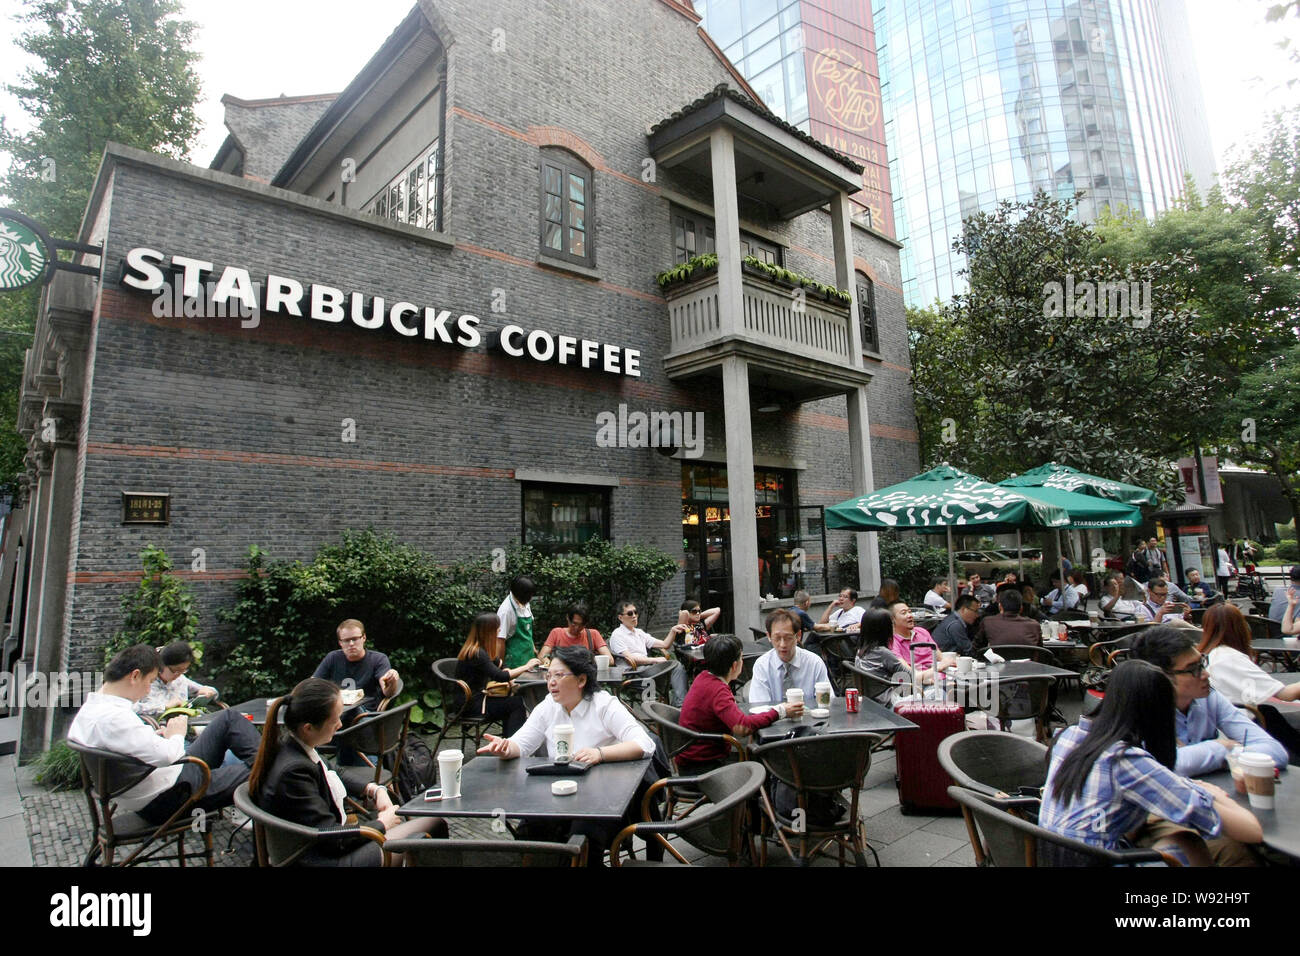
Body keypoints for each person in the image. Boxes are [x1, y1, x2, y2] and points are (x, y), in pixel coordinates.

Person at [1040, 660, 1262, 867]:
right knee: (1193, 843)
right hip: (1098, 861)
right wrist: (1214, 795)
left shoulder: (1068, 736)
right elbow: (1251, 831)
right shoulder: (1125, 760)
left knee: (1183, 838)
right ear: (1160, 713)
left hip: (1052, 856)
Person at [477, 646, 657, 864]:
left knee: (583, 834)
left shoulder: (604, 705)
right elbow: (521, 745)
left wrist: (599, 753)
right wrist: (505, 747)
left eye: (559, 675)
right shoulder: (548, 707)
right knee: (534, 826)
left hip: (604, 799)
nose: (550, 682)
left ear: (581, 680)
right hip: (560, 795)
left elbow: (644, 743)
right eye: (548, 675)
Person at [248, 678, 443, 865]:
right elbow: (334, 841)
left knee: (429, 826)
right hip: (324, 859)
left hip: (325, 848)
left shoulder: (293, 747)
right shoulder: (294, 771)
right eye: (335, 721)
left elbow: (335, 770)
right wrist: (382, 823)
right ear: (308, 728)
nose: (340, 725)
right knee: (435, 824)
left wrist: (374, 789)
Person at [68, 644, 262, 824]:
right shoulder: (114, 718)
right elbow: (170, 756)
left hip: (160, 783)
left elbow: (130, 745)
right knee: (265, 768)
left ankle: (266, 775)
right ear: (135, 676)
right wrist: (176, 734)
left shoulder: (92, 708)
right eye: (150, 682)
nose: (147, 690)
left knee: (229, 718)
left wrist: (160, 737)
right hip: (169, 796)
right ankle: (270, 786)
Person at [1130, 627, 1288, 776]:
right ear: (1161, 677)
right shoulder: (1139, 708)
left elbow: (1275, 752)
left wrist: (1222, 757)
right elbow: (1162, 766)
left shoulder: (1210, 698)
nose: (1206, 674)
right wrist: (1222, 748)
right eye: (1192, 669)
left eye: (1202, 663)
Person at [677, 634, 801, 773]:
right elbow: (742, 728)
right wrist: (780, 711)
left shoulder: (703, 677)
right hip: (704, 767)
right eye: (741, 658)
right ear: (735, 665)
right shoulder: (718, 691)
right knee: (763, 760)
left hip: (692, 759)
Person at [455, 611, 539, 737]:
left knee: (512, 702)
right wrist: (526, 666)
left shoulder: (480, 649)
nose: (499, 630)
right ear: (489, 631)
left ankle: (508, 740)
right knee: (517, 704)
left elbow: (501, 665)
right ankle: (511, 743)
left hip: (475, 699)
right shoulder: (477, 654)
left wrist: (510, 680)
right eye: (497, 627)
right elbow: (500, 676)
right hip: (470, 705)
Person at [1201, 602, 1300, 704]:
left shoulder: (1208, 654)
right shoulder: (1230, 658)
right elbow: (1287, 694)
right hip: (1240, 716)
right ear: (1240, 627)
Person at [608, 600, 689, 703]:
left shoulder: (639, 633)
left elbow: (664, 645)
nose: (634, 616)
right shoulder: (618, 635)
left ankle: (679, 704)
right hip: (633, 672)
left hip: (646, 668)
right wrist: (655, 660)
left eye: (635, 612)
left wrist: (673, 630)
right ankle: (680, 705)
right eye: (630, 613)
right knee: (676, 669)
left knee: (677, 667)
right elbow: (630, 659)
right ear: (620, 617)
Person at [312, 619, 400, 712]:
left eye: (355, 639)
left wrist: (391, 681)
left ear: (364, 638)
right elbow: (313, 685)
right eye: (346, 640)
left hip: (365, 714)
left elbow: (388, 692)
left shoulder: (378, 659)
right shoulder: (333, 658)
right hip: (338, 712)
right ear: (340, 643)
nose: (351, 644)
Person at [750, 608, 833, 704]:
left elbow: (828, 701)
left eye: (788, 638)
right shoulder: (762, 666)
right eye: (777, 638)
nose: (782, 645)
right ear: (769, 636)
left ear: (798, 635)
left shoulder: (814, 663)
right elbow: (760, 707)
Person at [133, 641, 219, 719]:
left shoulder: (180, 680)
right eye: (175, 670)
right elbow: (132, 708)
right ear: (161, 664)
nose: (178, 674)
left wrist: (208, 691)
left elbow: (211, 692)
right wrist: (164, 707)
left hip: (185, 725)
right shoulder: (145, 682)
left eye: (183, 670)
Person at [853, 608, 911, 704]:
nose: (894, 627)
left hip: (872, 699)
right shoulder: (882, 653)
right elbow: (909, 676)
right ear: (884, 629)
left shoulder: (861, 650)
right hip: (889, 701)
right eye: (892, 624)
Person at [888, 601, 948, 683]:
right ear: (893, 619)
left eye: (909, 612)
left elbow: (940, 657)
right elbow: (907, 671)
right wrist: (928, 679)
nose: (909, 615)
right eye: (904, 613)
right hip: (921, 683)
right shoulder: (893, 642)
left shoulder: (922, 632)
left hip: (943, 676)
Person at [539, 602, 613, 663]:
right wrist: (551, 665)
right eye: (574, 623)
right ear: (568, 618)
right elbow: (542, 656)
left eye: (581, 625)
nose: (577, 628)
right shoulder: (556, 633)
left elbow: (610, 660)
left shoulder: (593, 634)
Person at [496, 575, 538, 669]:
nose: (530, 599)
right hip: (513, 661)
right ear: (518, 594)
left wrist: (533, 648)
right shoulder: (506, 611)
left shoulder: (525, 601)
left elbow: (528, 630)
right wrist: (501, 667)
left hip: (529, 657)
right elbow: (500, 640)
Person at [976, 589, 1042, 647]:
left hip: (997, 660)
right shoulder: (1034, 625)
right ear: (1021, 608)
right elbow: (1040, 651)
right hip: (1029, 661)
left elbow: (977, 647)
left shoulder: (988, 622)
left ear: (1000, 606)